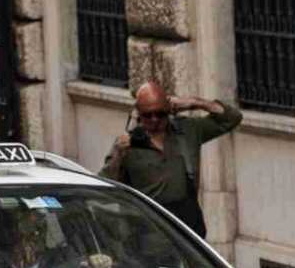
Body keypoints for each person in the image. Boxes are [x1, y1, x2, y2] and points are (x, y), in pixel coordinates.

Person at [100, 81, 242, 238]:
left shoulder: (188, 131)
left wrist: (196, 103)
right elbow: (105, 183)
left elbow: (232, 118)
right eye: (148, 115)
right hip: (148, 233)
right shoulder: (128, 144)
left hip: (187, 229)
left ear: (168, 110)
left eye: (160, 114)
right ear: (139, 114)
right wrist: (118, 153)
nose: (155, 119)